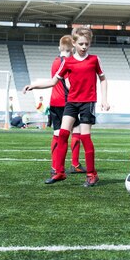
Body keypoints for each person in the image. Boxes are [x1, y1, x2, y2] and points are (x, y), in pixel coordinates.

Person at [23, 27, 109, 187]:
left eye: (87, 44)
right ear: (74, 43)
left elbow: (103, 79)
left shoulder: (95, 60)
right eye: (81, 44)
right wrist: (33, 85)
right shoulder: (67, 62)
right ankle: (60, 172)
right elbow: (53, 81)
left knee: (85, 137)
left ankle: (92, 174)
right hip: (71, 102)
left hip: (87, 103)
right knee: (62, 134)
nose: (84, 47)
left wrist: (104, 99)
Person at [48, 35, 85, 174]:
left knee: (57, 133)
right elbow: (69, 84)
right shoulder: (67, 62)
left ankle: (54, 167)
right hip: (66, 102)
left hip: (54, 101)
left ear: (60, 47)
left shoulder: (55, 60)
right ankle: (75, 164)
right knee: (77, 131)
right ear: (73, 47)